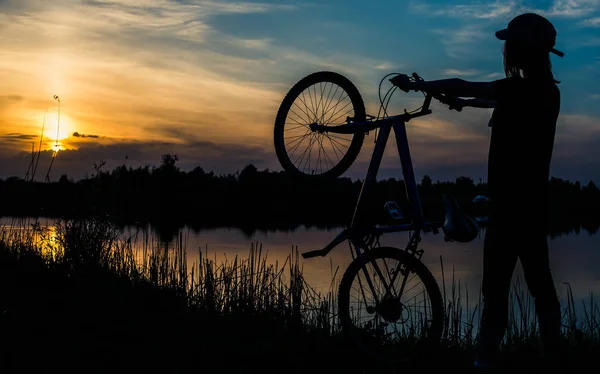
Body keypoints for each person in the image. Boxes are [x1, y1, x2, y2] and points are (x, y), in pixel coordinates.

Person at [391, 12, 564, 371]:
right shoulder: (544, 91)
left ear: (525, 49)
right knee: (540, 286)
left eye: (512, 43)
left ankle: (484, 361)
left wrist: (419, 86)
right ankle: (553, 356)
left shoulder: (521, 90)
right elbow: (489, 99)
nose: (506, 49)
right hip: (531, 208)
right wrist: (466, 104)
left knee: (496, 292)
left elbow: (467, 84)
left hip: (510, 210)